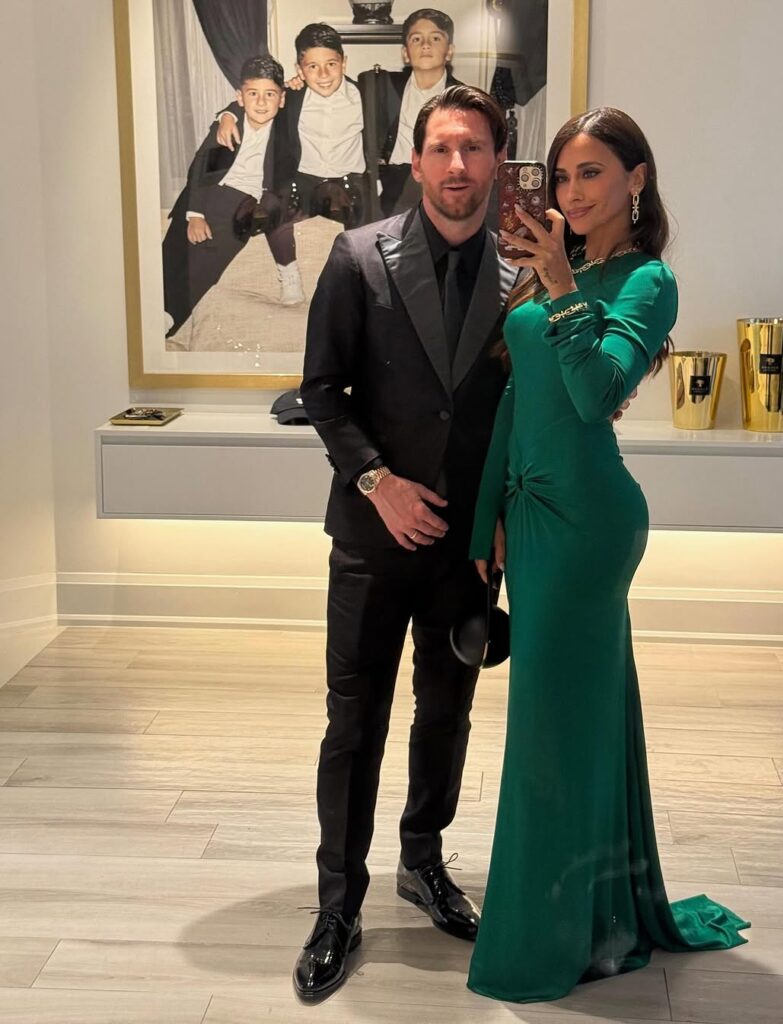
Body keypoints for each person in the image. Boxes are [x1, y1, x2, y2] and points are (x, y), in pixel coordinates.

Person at [466, 106, 750, 1003]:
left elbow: (596, 397)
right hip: (530, 514)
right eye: (562, 175)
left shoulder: (648, 280)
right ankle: (596, 909)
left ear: (637, 179)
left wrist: (559, 290)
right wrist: (486, 521)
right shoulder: (565, 268)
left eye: (591, 172)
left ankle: (546, 938)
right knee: (579, 721)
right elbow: (518, 398)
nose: (572, 191)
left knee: (547, 732)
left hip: (588, 523)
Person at [294, 85, 518, 1002]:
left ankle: (422, 860)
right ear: (417, 160)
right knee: (355, 723)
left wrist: (503, 515)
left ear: (497, 160)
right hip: (373, 537)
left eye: (475, 148)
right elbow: (321, 391)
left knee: (447, 713)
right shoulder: (358, 257)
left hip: (467, 547)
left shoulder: (525, 271)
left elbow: (525, 407)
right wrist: (377, 482)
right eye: (442, 148)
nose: (458, 165)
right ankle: (337, 905)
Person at [161, 55, 296, 336]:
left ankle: (170, 317)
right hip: (201, 196)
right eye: (253, 94)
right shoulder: (229, 126)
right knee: (169, 258)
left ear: (282, 99)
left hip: (241, 204)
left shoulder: (285, 127)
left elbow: (315, 87)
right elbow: (201, 167)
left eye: (270, 94)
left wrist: (299, 82)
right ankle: (146, 311)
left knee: (204, 267)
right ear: (239, 97)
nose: (261, 102)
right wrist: (195, 214)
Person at [218, 23, 370, 236]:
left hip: (351, 190)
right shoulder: (292, 97)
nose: (324, 74)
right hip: (304, 188)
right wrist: (228, 114)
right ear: (300, 70)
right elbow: (258, 100)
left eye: (331, 64)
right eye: (313, 67)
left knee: (356, 245)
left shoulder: (365, 95)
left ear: (344, 63)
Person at [359, 8, 461, 217]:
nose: (425, 45)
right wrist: (298, 84)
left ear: (449, 51)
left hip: (443, 184)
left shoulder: (463, 98)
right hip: (392, 186)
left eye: (435, 38)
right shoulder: (381, 85)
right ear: (405, 53)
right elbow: (337, 85)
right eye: (416, 39)